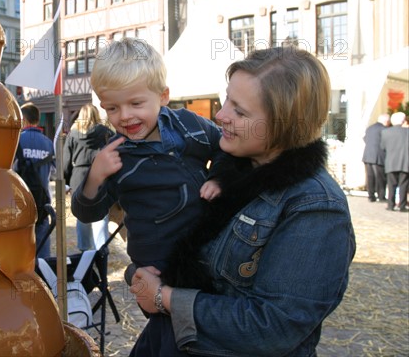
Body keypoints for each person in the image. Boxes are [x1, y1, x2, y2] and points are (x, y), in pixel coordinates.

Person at [129, 47, 356, 356]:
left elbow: (274, 327)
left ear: (283, 124)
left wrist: (165, 298)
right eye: (227, 100)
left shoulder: (316, 207)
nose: (220, 115)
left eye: (240, 111)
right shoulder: (233, 172)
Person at [71, 38, 224, 282]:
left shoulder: (190, 125)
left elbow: (223, 148)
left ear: (163, 96)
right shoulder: (113, 155)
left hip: (209, 250)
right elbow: (86, 213)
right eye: (112, 108)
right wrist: (94, 178)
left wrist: (218, 177)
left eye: (135, 103)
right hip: (155, 266)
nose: (125, 116)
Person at [63, 103, 114, 251]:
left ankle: (85, 250)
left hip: (78, 177)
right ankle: (101, 250)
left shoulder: (73, 134)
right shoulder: (106, 133)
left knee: (82, 215)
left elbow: (66, 161)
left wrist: (65, 183)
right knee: (101, 215)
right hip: (100, 176)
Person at [15, 102, 55, 259]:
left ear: (23, 119)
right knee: (43, 246)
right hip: (42, 201)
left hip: (19, 202)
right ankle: (43, 278)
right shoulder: (48, 143)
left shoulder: (16, 141)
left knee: (20, 247)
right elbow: (54, 171)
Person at [380, 111, 409, 212]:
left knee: (391, 184)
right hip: (405, 162)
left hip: (391, 162)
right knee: (403, 185)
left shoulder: (385, 132)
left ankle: (390, 204)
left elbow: (382, 147)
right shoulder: (407, 132)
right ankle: (402, 205)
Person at [362, 113, 389, 202]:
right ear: (386, 121)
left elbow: (365, 139)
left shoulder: (370, 128)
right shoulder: (384, 129)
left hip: (368, 155)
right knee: (380, 177)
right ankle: (381, 196)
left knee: (370, 176)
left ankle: (371, 195)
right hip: (379, 155)